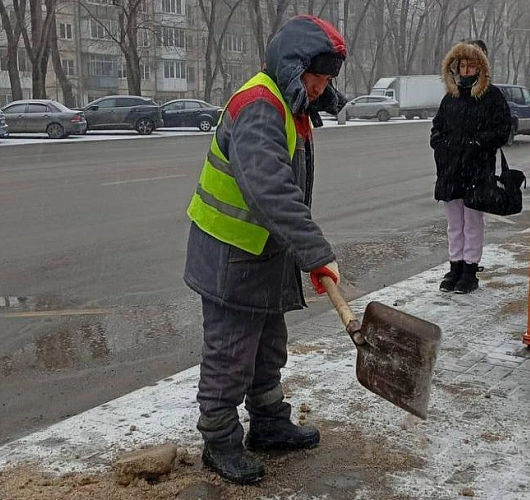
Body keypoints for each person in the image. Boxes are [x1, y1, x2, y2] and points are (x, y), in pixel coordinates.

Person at [182, 15, 347, 485]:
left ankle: (269, 421)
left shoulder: (289, 102)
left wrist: (301, 254)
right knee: (231, 353)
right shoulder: (259, 104)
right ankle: (219, 440)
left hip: (262, 256)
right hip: (230, 258)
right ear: (294, 66)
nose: (320, 87)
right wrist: (315, 253)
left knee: (268, 346)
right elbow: (270, 190)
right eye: (316, 75)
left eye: (328, 79)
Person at [430, 42, 511, 294]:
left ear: (481, 67)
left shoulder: (492, 97)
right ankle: (454, 267)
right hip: (451, 171)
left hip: (477, 171)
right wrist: (440, 145)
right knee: (454, 223)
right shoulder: (450, 98)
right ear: (456, 67)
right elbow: (437, 128)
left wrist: (476, 144)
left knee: (472, 222)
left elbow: (501, 130)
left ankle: (470, 270)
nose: (466, 69)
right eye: (463, 65)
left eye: (472, 64)